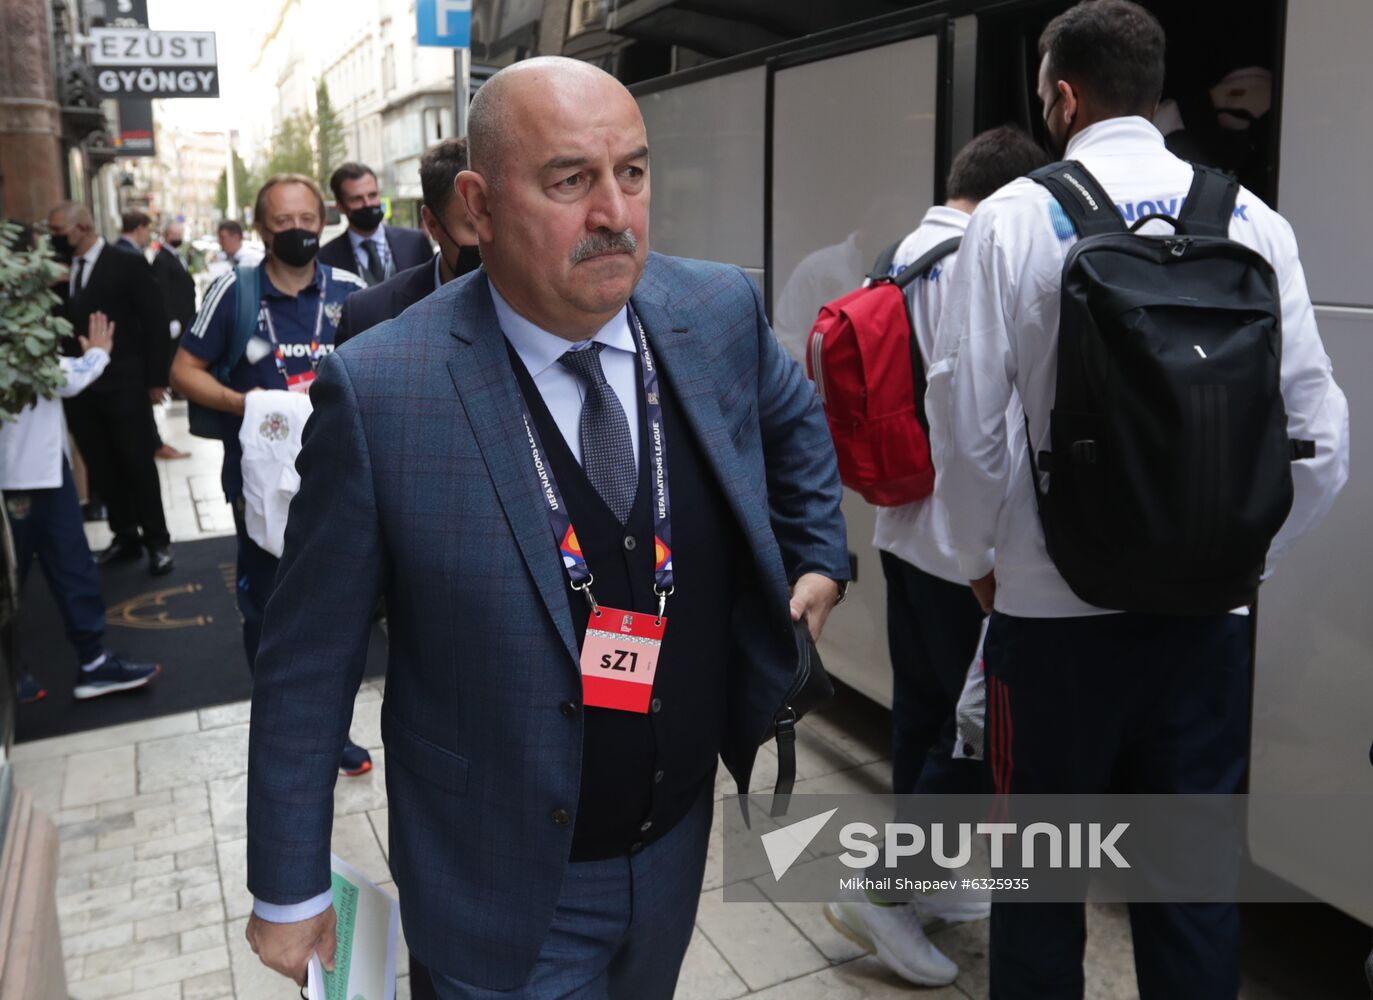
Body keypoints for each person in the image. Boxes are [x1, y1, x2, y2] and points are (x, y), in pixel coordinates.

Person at [242, 57, 849, 999]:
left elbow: (792, 415)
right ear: (477, 207)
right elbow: (307, 654)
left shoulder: (713, 311)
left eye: (633, 173)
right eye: (570, 180)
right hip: (499, 876)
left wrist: (820, 551)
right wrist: (287, 887)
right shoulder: (385, 390)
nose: (614, 211)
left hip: (674, 839)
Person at [930, 3, 1350, 998]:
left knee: (1038, 887)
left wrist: (978, 560)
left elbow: (964, 418)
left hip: (1047, 621)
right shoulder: (1251, 221)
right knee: (1189, 885)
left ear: (1062, 96)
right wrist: (1238, 559)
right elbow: (1319, 441)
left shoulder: (1011, 219)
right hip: (1205, 625)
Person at [824, 125, 1048, 987]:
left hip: (904, 535)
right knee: (969, 742)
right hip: (971, 552)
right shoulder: (979, 261)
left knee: (923, 719)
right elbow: (982, 416)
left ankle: (925, 886)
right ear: (1006, 198)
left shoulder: (902, 254)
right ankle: (882, 895)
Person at [170, 174, 371, 776]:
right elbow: (184, 370)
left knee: (337, 610)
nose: (298, 232)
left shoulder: (352, 291)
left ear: (323, 219)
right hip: (258, 483)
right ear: (261, 229)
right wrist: (251, 404)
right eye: (283, 223)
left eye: (308, 220)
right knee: (269, 610)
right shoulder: (235, 290)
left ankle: (330, 729)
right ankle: (283, 726)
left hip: (338, 480)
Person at [1, 311, 163, 703]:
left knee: (74, 569)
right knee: (9, 585)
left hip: (47, 475)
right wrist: (99, 355)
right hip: (15, 481)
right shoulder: (17, 340)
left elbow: (56, 372)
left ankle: (93, 662)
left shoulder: (24, 337)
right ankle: (9, 675)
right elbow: (63, 378)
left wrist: (94, 357)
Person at [47, 201, 174, 576]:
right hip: (79, 390)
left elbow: (154, 320)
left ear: (83, 227)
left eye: (59, 232)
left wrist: (156, 379)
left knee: (137, 464)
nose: (54, 240)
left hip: (125, 385)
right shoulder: (60, 272)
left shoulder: (127, 263)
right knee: (101, 466)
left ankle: (158, 541)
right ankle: (125, 536)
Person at [335, 138, 482, 346]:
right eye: (473, 226)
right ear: (432, 224)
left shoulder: (540, 302)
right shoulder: (369, 315)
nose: (492, 237)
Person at [319, 162, 433, 286]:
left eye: (372, 195)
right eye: (357, 199)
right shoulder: (325, 258)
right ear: (340, 206)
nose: (367, 204)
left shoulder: (415, 242)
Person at [150, 220, 196, 461]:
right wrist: (170, 318)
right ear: (167, 235)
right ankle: (177, 387)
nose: (178, 237)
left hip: (185, 316)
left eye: (180, 233)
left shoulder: (177, 256)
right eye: (174, 234)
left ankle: (179, 388)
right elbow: (163, 291)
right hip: (176, 318)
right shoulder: (162, 259)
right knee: (174, 354)